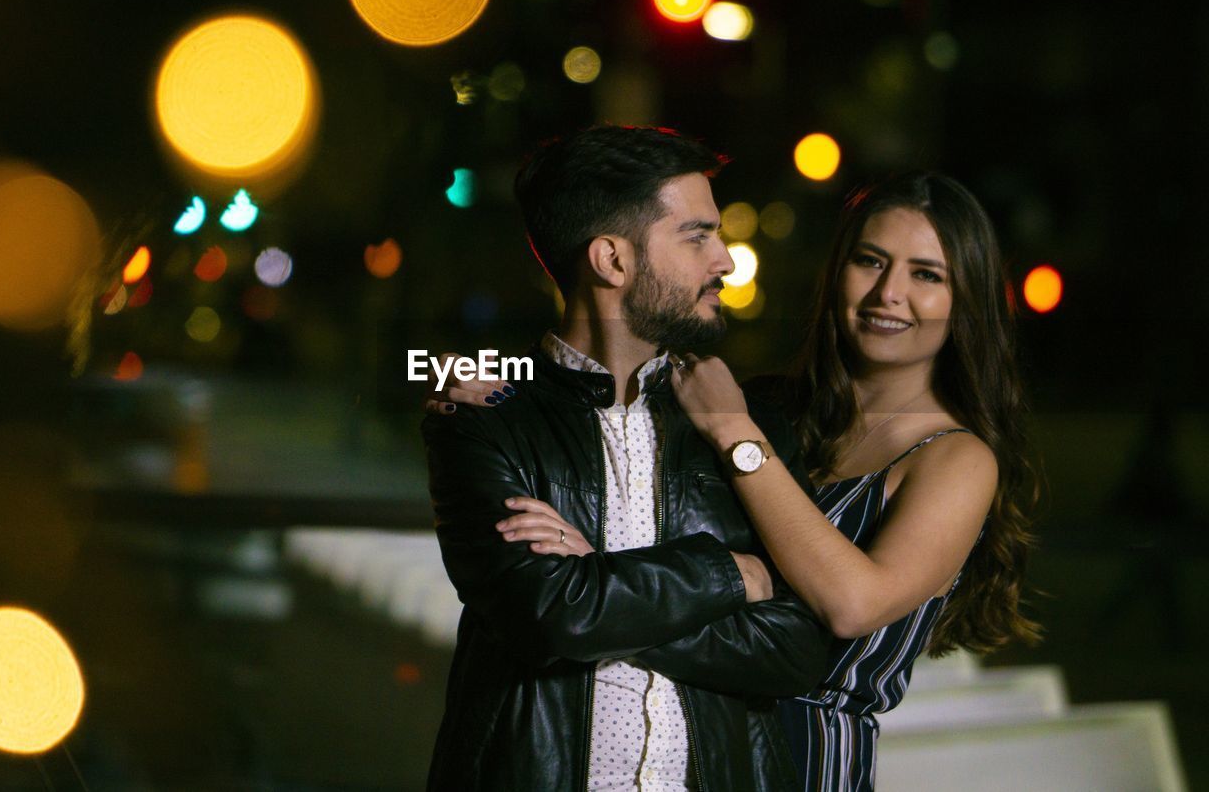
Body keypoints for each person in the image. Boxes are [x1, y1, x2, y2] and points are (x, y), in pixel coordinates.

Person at [433, 170, 1040, 791]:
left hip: (812, 754)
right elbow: (604, 380)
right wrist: (474, 373)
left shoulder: (955, 458)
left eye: (926, 275)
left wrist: (608, 590)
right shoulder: (777, 408)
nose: (888, 293)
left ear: (966, 301)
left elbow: (852, 606)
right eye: (870, 261)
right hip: (710, 737)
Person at [420, 124, 832, 792]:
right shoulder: (483, 415)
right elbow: (550, 612)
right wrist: (732, 573)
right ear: (612, 259)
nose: (724, 261)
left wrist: (601, 581)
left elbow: (797, 649)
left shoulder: (741, 422)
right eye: (697, 236)